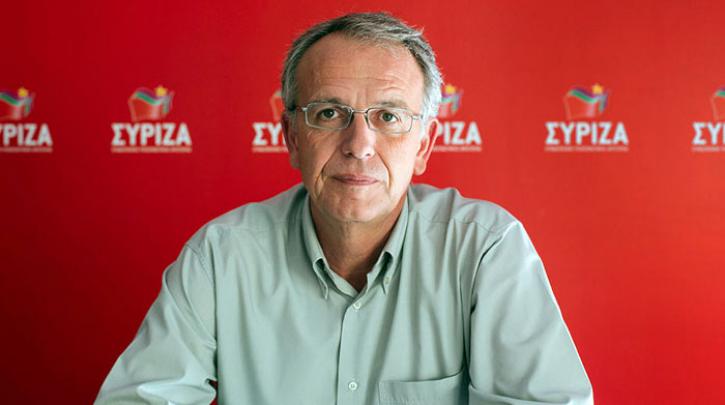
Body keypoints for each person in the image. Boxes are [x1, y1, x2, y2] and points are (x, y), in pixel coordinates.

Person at [96, 12, 593, 405]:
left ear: (423, 145)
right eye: (330, 113)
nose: (359, 145)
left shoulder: (484, 249)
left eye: (388, 117)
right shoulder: (221, 257)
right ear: (292, 138)